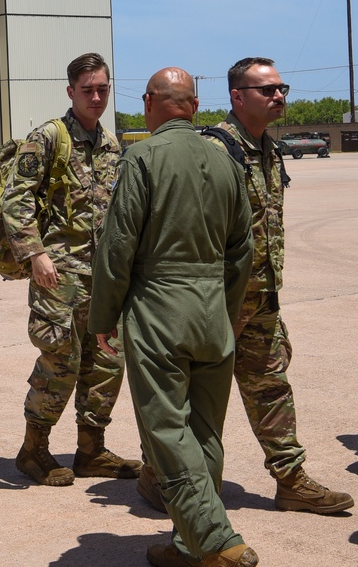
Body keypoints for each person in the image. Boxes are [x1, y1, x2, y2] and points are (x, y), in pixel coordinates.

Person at [138, 57, 355, 514]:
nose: (279, 96)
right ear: (238, 97)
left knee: (271, 387)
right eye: (266, 90)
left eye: (282, 88)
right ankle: (158, 475)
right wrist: (219, 304)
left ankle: (291, 478)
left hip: (262, 301)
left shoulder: (269, 150)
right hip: (218, 303)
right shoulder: (217, 149)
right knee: (188, 401)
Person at [89, 68, 257, 567]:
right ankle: (188, 547)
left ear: (150, 102)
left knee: (166, 431)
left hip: (159, 307)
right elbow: (243, 249)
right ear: (195, 105)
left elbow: (117, 246)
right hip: (212, 312)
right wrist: (223, 314)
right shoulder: (228, 161)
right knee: (205, 430)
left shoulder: (141, 157)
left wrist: (103, 317)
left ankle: (215, 541)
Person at [2, 52, 141, 486]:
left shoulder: (113, 145)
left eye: (103, 88)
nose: (96, 97)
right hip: (58, 274)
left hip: (103, 277)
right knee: (60, 360)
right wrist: (35, 254)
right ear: (70, 92)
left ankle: (91, 450)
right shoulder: (48, 137)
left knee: (105, 363)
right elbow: (16, 199)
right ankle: (33, 449)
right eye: (88, 90)